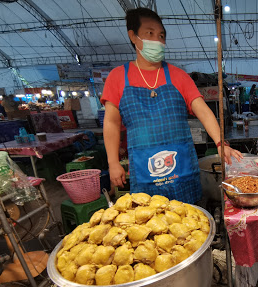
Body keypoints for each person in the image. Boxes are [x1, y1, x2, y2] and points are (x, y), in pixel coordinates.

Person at [101, 8, 242, 203]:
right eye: (149, 33)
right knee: (149, 225)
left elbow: (202, 110)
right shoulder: (118, 77)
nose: (157, 41)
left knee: (191, 221)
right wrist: (113, 162)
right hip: (144, 174)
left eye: (161, 36)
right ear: (133, 36)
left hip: (182, 172)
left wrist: (220, 142)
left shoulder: (178, 75)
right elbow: (111, 123)